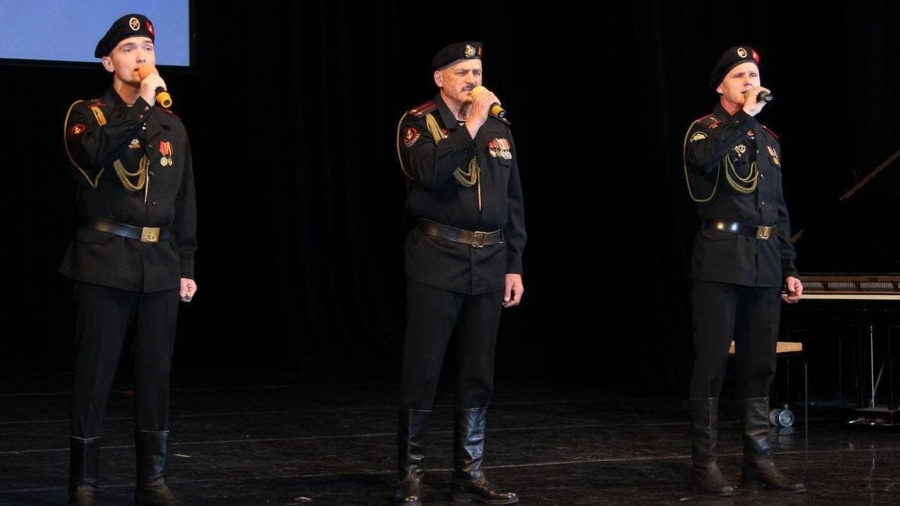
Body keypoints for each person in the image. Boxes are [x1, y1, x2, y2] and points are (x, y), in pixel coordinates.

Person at [59, 13, 197, 506]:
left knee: (155, 375)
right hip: (104, 259)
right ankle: (84, 483)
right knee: (95, 373)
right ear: (108, 61)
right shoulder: (87, 114)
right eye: (129, 49)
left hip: (159, 262)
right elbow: (93, 154)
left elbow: (184, 199)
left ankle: (152, 480)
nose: (141, 57)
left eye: (148, 49)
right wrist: (139, 107)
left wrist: (186, 265)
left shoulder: (171, 124)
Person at [393, 41, 526, 505]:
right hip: (438, 255)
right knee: (424, 367)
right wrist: (468, 127)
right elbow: (429, 173)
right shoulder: (418, 123)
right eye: (463, 72)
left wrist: (514, 264)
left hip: (489, 260)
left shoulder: (498, 127)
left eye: (478, 72)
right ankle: (410, 473)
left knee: (478, 370)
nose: (473, 80)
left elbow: (513, 201)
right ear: (440, 79)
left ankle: (469, 471)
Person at [681, 44, 806, 496]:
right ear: (721, 86)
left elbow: (778, 208)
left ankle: (759, 460)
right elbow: (703, 162)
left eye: (753, 75)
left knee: (760, 366)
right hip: (721, 256)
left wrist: (789, 266)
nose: (750, 82)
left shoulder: (768, 139)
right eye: (739, 76)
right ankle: (705, 464)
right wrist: (743, 118)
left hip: (765, 260)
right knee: (712, 363)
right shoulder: (705, 130)